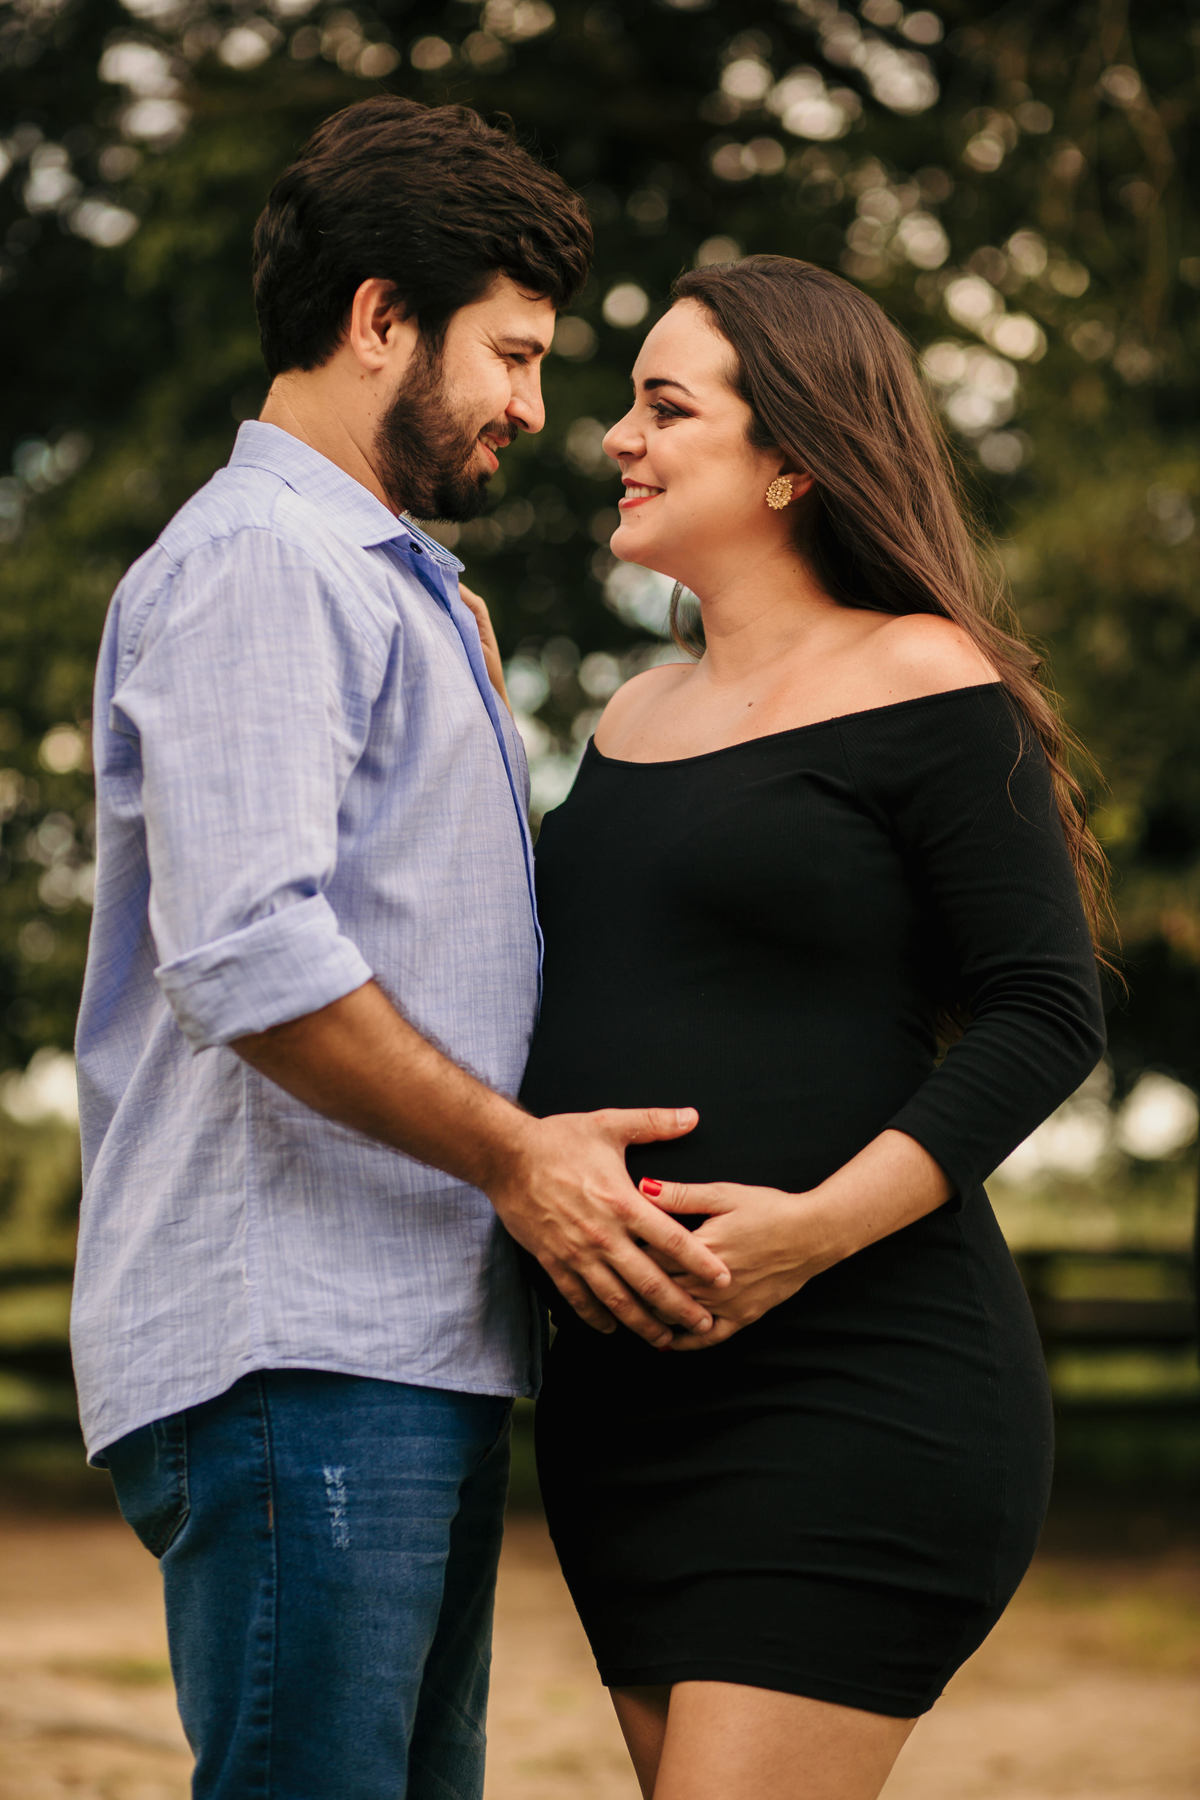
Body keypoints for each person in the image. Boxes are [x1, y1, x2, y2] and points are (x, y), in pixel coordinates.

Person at [70, 96, 731, 1800]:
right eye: (511, 355)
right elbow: (248, 950)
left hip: (398, 1344)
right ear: (380, 320)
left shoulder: (389, 585)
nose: (535, 408)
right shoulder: (265, 565)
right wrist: (520, 1159)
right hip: (302, 1345)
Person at [519, 255, 1110, 1800]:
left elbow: (1048, 1010)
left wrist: (810, 1233)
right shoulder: (628, 718)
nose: (616, 437)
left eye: (665, 407)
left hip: (855, 1376)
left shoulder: (922, 675)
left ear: (790, 459)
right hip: (625, 1406)